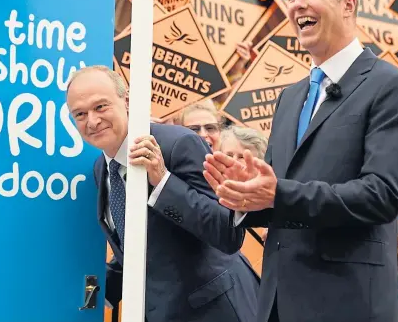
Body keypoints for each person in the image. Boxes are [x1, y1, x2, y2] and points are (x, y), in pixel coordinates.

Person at [203, 0, 398, 322]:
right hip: (278, 302)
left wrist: (277, 193)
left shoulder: (392, 87)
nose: (297, 4)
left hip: (348, 303)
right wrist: (245, 195)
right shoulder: (290, 97)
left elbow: (382, 196)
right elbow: (276, 196)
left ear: (348, 3)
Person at [66, 65, 259, 322]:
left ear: (126, 101)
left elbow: (226, 232)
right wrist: (91, 297)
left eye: (101, 106)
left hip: (215, 311)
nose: (92, 120)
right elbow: (139, 247)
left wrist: (163, 182)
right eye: (80, 114)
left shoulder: (178, 144)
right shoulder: (100, 169)